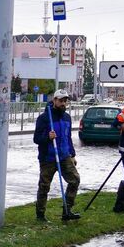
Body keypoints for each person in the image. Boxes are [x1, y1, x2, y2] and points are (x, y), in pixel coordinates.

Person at [33, 88, 81, 221]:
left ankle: (67, 210)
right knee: (44, 186)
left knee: (75, 180)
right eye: (61, 101)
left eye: (65, 101)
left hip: (64, 156)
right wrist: (48, 137)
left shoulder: (67, 118)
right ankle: (40, 214)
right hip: (48, 157)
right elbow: (36, 139)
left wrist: (72, 154)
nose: (63, 103)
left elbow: (68, 137)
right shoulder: (44, 118)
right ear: (54, 100)